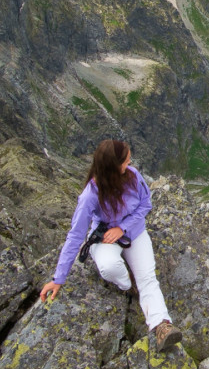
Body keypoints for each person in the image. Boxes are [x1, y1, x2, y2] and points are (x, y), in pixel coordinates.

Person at [39, 139, 182, 351]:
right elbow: (75, 236)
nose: (130, 163)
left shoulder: (133, 176)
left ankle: (162, 326)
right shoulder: (90, 196)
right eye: (125, 160)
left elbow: (146, 204)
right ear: (112, 167)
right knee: (108, 266)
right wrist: (58, 279)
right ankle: (127, 285)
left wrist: (122, 228)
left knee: (148, 278)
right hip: (104, 236)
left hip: (133, 233)